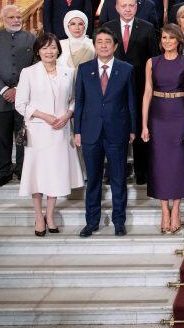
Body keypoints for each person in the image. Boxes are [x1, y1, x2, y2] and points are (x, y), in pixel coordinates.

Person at [15, 32, 83, 236]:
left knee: (54, 173)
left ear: (58, 50)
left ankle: (50, 214)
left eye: (53, 47)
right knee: (37, 174)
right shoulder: (28, 72)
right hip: (38, 131)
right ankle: (38, 216)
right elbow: (21, 104)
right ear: (38, 51)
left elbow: (74, 99)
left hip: (60, 130)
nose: (49, 51)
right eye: (45, 48)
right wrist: (45, 116)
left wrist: (68, 114)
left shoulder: (68, 72)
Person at [74, 27, 137, 238]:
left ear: (115, 45)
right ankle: (91, 222)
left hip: (117, 132)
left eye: (107, 41)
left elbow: (131, 103)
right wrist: (77, 131)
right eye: (99, 41)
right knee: (93, 179)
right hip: (90, 132)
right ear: (94, 45)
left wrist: (132, 129)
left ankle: (119, 221)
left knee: (118, 178)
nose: (103, 45)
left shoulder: (126, 69)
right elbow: (80, 103)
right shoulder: (84, 69)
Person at [141, 24, 184, 234]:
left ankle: (177, 210)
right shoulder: (152, 63)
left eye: (171, 38)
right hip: (158, 115)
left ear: (179, 41)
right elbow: (147, 92)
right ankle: (165, 209)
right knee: (160, 163)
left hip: (180, 115)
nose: (167, 42)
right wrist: (144, 124)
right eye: (164, 38)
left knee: (180, 163)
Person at [101, 0, 159, 185]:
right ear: (116, 7)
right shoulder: (107, 28)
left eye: (131, 5)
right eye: (123, 6)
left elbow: (153, 59)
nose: (127, 9)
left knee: (142, 127)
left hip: (141, 86)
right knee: (114, 129)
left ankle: (142, 173)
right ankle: (113, 172)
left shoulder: (147, 27)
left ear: (136, 7)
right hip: (112, 88)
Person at [0, 5, 36, 187]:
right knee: (1, 138)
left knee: (23, 136)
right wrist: (4, 89)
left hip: (25, 97)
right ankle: (4, 172)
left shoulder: (32, 39)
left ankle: (22, 171)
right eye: (11, 17)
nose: (16, 20)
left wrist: (19, 89)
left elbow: (36, 66)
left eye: (19, 17)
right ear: (2, 20)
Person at [59, 10, 96, 74]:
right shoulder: (59, 44)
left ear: (85, 26)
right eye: (73, 24)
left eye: (80, 24)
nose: (77, 28)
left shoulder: (93, 44)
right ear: (67, 26)